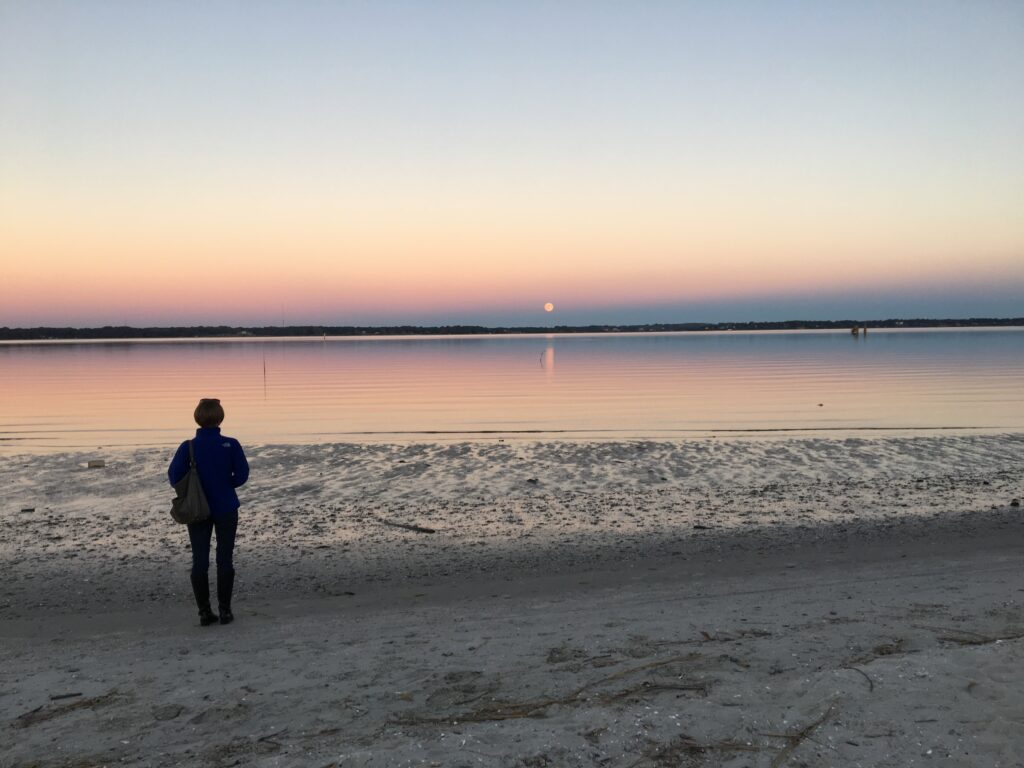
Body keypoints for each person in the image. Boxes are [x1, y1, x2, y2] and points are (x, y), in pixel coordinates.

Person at [168, 398, 249, 626]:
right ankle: (225, 611)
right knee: (225, 558)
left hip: (197, 508)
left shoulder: (189, 447)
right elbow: (242, 475)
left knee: (200, 560)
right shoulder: (231, 444)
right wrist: (224, 484)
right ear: (220, 417)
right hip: (226, 507)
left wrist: (196, 488)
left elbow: (174, 476)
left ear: (198, 417)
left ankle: (204, 612)